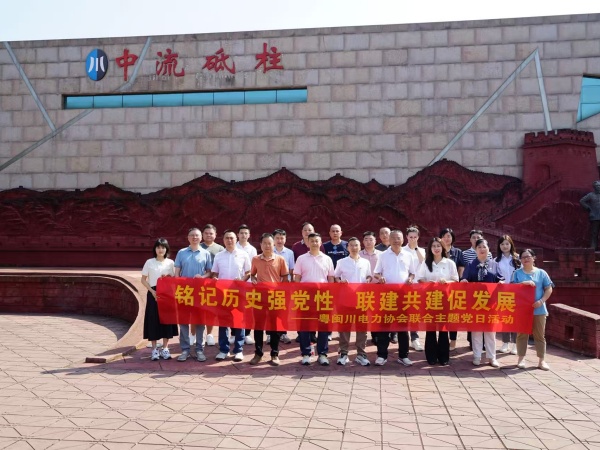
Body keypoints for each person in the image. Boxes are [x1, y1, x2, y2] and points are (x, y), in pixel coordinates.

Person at [373, 229, 418, 367]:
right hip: (387, 295)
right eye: (393, 238)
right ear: (389, 240)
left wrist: (410, 278)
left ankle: (403, 356)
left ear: (403, 240)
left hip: (403, 295)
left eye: (398, 238)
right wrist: (380, 278)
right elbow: (376, 273)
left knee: (403, 327)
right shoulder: (383, 255)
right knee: (384, 326)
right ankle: (381, 355)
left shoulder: (409, 255)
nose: (396, 240)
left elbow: (413, 273)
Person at [415, 237, 459, 366]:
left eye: (438, 246)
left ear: (442, 247)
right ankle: (431, 356)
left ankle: (443, 356)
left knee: (443, 328)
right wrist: (428, 283)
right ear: (430, 248)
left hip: (445, 299)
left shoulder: (449, 263)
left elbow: (455, 280)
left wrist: (447, 282)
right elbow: (420, 278)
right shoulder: (425, 263)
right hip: (430, 299)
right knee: (431, 328)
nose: (436, 248)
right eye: (433, 246)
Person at [294, 232, 335, 365]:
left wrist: (330, 295)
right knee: (305, 326)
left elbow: (330, 278)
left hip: (323, 297)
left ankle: (322, 354)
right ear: (308, 243)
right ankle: (306, 353)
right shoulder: (301, 259)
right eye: (312, 241)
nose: (314, 243)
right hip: (305, 297)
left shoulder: (327, 259)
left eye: (317, 241)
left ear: (320, 242)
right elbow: (297, 278)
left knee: (323, 325)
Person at [460, 238, 503, 368]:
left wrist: (501, 282)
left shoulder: (495, 264)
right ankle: (477, 356)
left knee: (490, 331)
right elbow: (464, 279)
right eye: (479, 247)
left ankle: (491, 357)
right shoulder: (470, 264)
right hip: (476, 303)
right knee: (476, 330)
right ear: (476, 250)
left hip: (491, 303)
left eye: (484, 247)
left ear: (488, 249)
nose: (482, 249)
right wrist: (464, 281)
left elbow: (500, 279)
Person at [210, 229, 251, 362]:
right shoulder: (219, 256)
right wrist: (215, 279)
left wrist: (242, 280)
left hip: (238, 293)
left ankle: (238, 350)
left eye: (231, 238)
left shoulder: (243, 254)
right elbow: (214, 273)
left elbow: (249, 272)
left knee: (239, 321)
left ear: (236, 239)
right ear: (223, 240)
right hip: (222, 293)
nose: (229, 240)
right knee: (223, 322)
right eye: (227, 238)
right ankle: (224, 349)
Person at [249, 233, 289, 366]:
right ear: (260, 245)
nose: (267, 246)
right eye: (264, 243)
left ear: (274, 245)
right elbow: (252, 274)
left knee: (274, 326)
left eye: (269, 243)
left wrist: (280, 290)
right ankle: (258, 353)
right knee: (258, 325)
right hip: (259, 297)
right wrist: (253, 280)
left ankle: (274, 353)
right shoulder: (255, 259)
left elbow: (285, 277)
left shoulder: (280, 259)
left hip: (275, 297)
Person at [174, 228, 213, 362]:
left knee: (200, 321)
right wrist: (177, 284)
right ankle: (185, 349)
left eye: (197, 235)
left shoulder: (206, 253)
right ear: (188, 237)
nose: (195, 237)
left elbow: (209, 272)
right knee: (183, 321)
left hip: (200, 292)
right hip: (184, 291)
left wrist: (202, 277)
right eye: (192, 235)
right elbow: (177, 272)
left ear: (201, 238)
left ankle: (199, 349)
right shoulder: (181, 252)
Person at [333, 237, 373, 366]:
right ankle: (344, 353)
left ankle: (361, 354)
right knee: (344, 327)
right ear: (347, 248)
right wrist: (340, 281)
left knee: (362, 328)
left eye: (356, 245)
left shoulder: (365, 262)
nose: (354, 248)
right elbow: (336, 277)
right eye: (351, 245)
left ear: (360, 247)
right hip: (345, 300)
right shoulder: (341, 262)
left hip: (362, 300)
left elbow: (369, 275)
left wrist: (368, 280)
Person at [513, 249, 554, 371]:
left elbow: (548, 288)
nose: (526, 259)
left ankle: (541, 360)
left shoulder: (541, 273)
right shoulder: (517, 273)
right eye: (523, 257)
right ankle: (521, 358)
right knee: (522, 334)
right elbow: (511, 288)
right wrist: (523, 283)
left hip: (539, 309)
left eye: (528, 256)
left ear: (534, 258)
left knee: (539, 335)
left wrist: (541, 301)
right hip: (522, 309)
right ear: (520, 260)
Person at [141, 238, 178, 361]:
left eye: (163, 247)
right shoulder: (149, 262)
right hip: (153, 294)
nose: (160, 250)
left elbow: (175, 279)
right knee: (153, 319)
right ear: (155, 249)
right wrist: (152, 292)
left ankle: (165, 348)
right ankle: (154, 349)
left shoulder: (171, 263)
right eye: (158, 247)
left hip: (167, 294)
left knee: (166, 320)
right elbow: (143, 280)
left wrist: (168, 277)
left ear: (166, 249)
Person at [439, 227, 465, 350]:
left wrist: (457, 281)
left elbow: (461, 267)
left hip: (453, 287)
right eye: (444, 236)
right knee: (441, 314)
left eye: (449, 236)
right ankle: (442, 339)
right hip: (439, 288)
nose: (446, 238)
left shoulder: (458, 252)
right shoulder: (437, 250)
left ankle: (453, 340)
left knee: (453, 315)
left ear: (452, 238)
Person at [495, 235, 521, 354]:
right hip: (502, 293)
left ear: (511, 245)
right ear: (499, 246)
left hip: (516, 292)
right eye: (502, 244)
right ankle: (505, 342)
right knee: (505, 318)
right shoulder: (496, 260)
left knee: (515, 318)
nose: (505, 246)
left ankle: (515, 344)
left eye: (507, 244)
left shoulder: (518, 258)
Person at [201, 224, 225, 347]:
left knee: (211, 310)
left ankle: (210, 334)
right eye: (206, 233)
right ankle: (198, 334)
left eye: (211, 233)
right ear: (202, 235)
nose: (208, 235)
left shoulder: (220, 249)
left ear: (215, 235)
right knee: (198, 309)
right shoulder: (198, 247)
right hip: (199, 284)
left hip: (215, 284)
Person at [403, 225, 426, 352]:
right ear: (406, 237)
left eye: (415, 237)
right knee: (403, 312)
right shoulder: (402, 250)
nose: (412, 239)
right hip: (404, 285)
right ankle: (401, 336)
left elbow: (423, 262)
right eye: (410, 237)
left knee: (415, 312)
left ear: (418, 237)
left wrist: (416, 248)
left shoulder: (421, 250)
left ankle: (414, 338)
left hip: (417, 285)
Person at [272, 229, 295, 344]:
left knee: (284, 310)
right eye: (277, 238)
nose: (279, 240)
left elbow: (291, 269)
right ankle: (270, 334)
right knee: (271, 310)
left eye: (282, 238)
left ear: (285, 239)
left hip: (285, 285)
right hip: (271, 285)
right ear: (273, 239)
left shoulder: (289, 253)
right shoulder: (269, 250)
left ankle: (283, 333)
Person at [236, 224, 257, 345]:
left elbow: (253, 267)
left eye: (246, 233)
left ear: (249, 235)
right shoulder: (233, 247)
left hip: (248, 283)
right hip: (235, 283)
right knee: (235, 308)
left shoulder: (252, 249)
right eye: (241, 233)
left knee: (248, 309)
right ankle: (234, 333)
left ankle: (247, 334)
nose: (243, 235)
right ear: (238, 235)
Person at [361, 231, 382, 345]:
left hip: (378, 286)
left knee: (376, 312)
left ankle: (376, 335)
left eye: (371, 239)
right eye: (366, 239)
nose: (368, 242)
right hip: (363, 288)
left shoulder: (382, 255)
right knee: (363, 312)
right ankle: (362, 335)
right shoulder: (358, 254)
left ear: (375, 241)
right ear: (363, 241)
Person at [580, 180, 600, 249]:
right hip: (594, 216)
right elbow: (582, 201)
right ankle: (593, 247)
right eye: (597, 186)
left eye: (599, 186)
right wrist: (588, 208)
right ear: (594, 187)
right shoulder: (591, 195)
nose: (599, 187)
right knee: (594, 233)